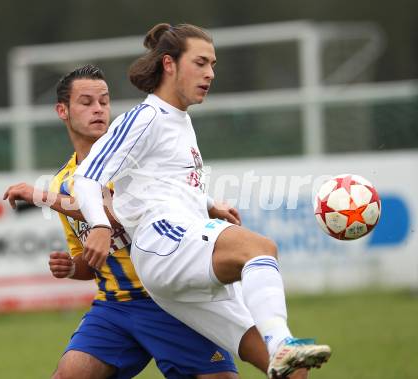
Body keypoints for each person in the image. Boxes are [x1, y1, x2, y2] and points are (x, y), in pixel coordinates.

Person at [72, 24, 331, 379]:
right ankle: (284, 341)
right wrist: (99, 225)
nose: (210, 73)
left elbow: (158, 181)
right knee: (259, 249)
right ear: (169, 64)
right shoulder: (146, 116)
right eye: (201, 62)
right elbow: (86, 176)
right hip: (163, 242)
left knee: (292, 371)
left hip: (178, 262)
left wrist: (208, 204)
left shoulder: (179, 121)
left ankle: (283, 352)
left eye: (213, 64)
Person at [4, 65, 255, 379]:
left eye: (104, 101)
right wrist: (72, 267)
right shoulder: (61, 183)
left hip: (170, 301)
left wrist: (40, 196)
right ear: (62, 111)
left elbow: (113, 215)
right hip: (116, 308)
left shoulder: (131, 158)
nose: (98, 109)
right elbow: (93, 256)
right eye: (86, 102)